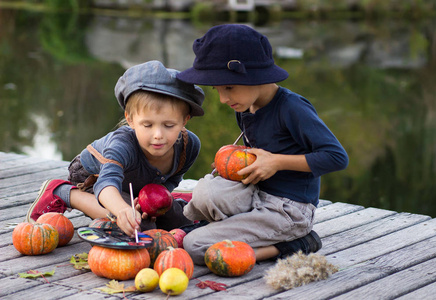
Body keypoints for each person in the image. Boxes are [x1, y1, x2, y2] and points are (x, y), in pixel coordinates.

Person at [176, 24, 349, 264]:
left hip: (288, 209)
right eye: (217, 89)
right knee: (206, 193)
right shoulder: (246, 106)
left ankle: (293, 243)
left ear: (255, 76)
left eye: (229, 87)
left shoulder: (292, 108)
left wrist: (277, 162)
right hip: (256, 194)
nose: (223, 99)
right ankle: (190, 221)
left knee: (194, 245)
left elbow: (336, 157)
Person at [25, 60, 205, 236]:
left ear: (184, 121)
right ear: (130, 120)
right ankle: (63, 193)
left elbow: (172, 179)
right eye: (147, 125)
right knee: (139, 226)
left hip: (136, 184)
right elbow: (107, 183)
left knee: (183, 222)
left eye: (168, 125)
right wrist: (122, 210)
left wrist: (152, 200)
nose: (158, 134)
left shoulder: (189, 147)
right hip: (95, 179)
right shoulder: (123, 144)